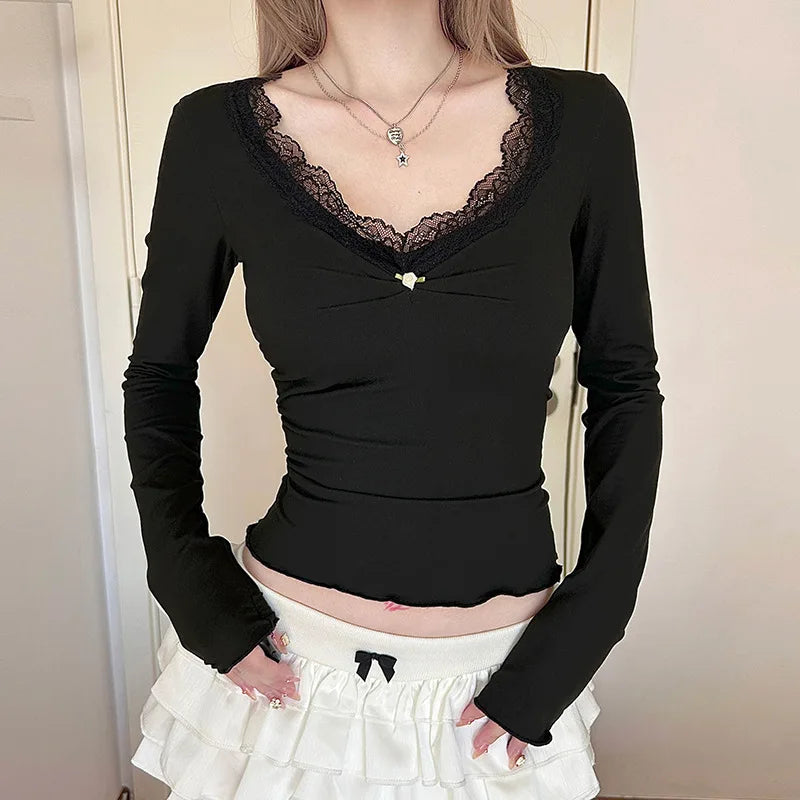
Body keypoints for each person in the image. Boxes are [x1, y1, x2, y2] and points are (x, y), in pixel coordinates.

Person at [121, 1, 664, 798]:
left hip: (501, 687)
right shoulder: (214, 132)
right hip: (287, 677)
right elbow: (158, 376)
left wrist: (585, 630)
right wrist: (191, 591)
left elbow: (626, 385)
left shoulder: (584, 120)